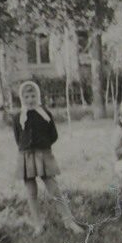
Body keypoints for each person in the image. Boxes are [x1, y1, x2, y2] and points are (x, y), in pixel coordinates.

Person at [13, 81, 84, 235]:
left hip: (43, 154)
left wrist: (42, 147)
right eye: (26, 96)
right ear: (22, 97)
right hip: (26, 156)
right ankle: (38, 224)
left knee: (54, 189)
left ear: (37, 96)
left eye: (33, 95)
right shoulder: (18, 117)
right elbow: (18, 138)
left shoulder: (44, 114)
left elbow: (53, 135)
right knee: (31, 192)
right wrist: (27, 150)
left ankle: (68, 221)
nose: (30, 99)